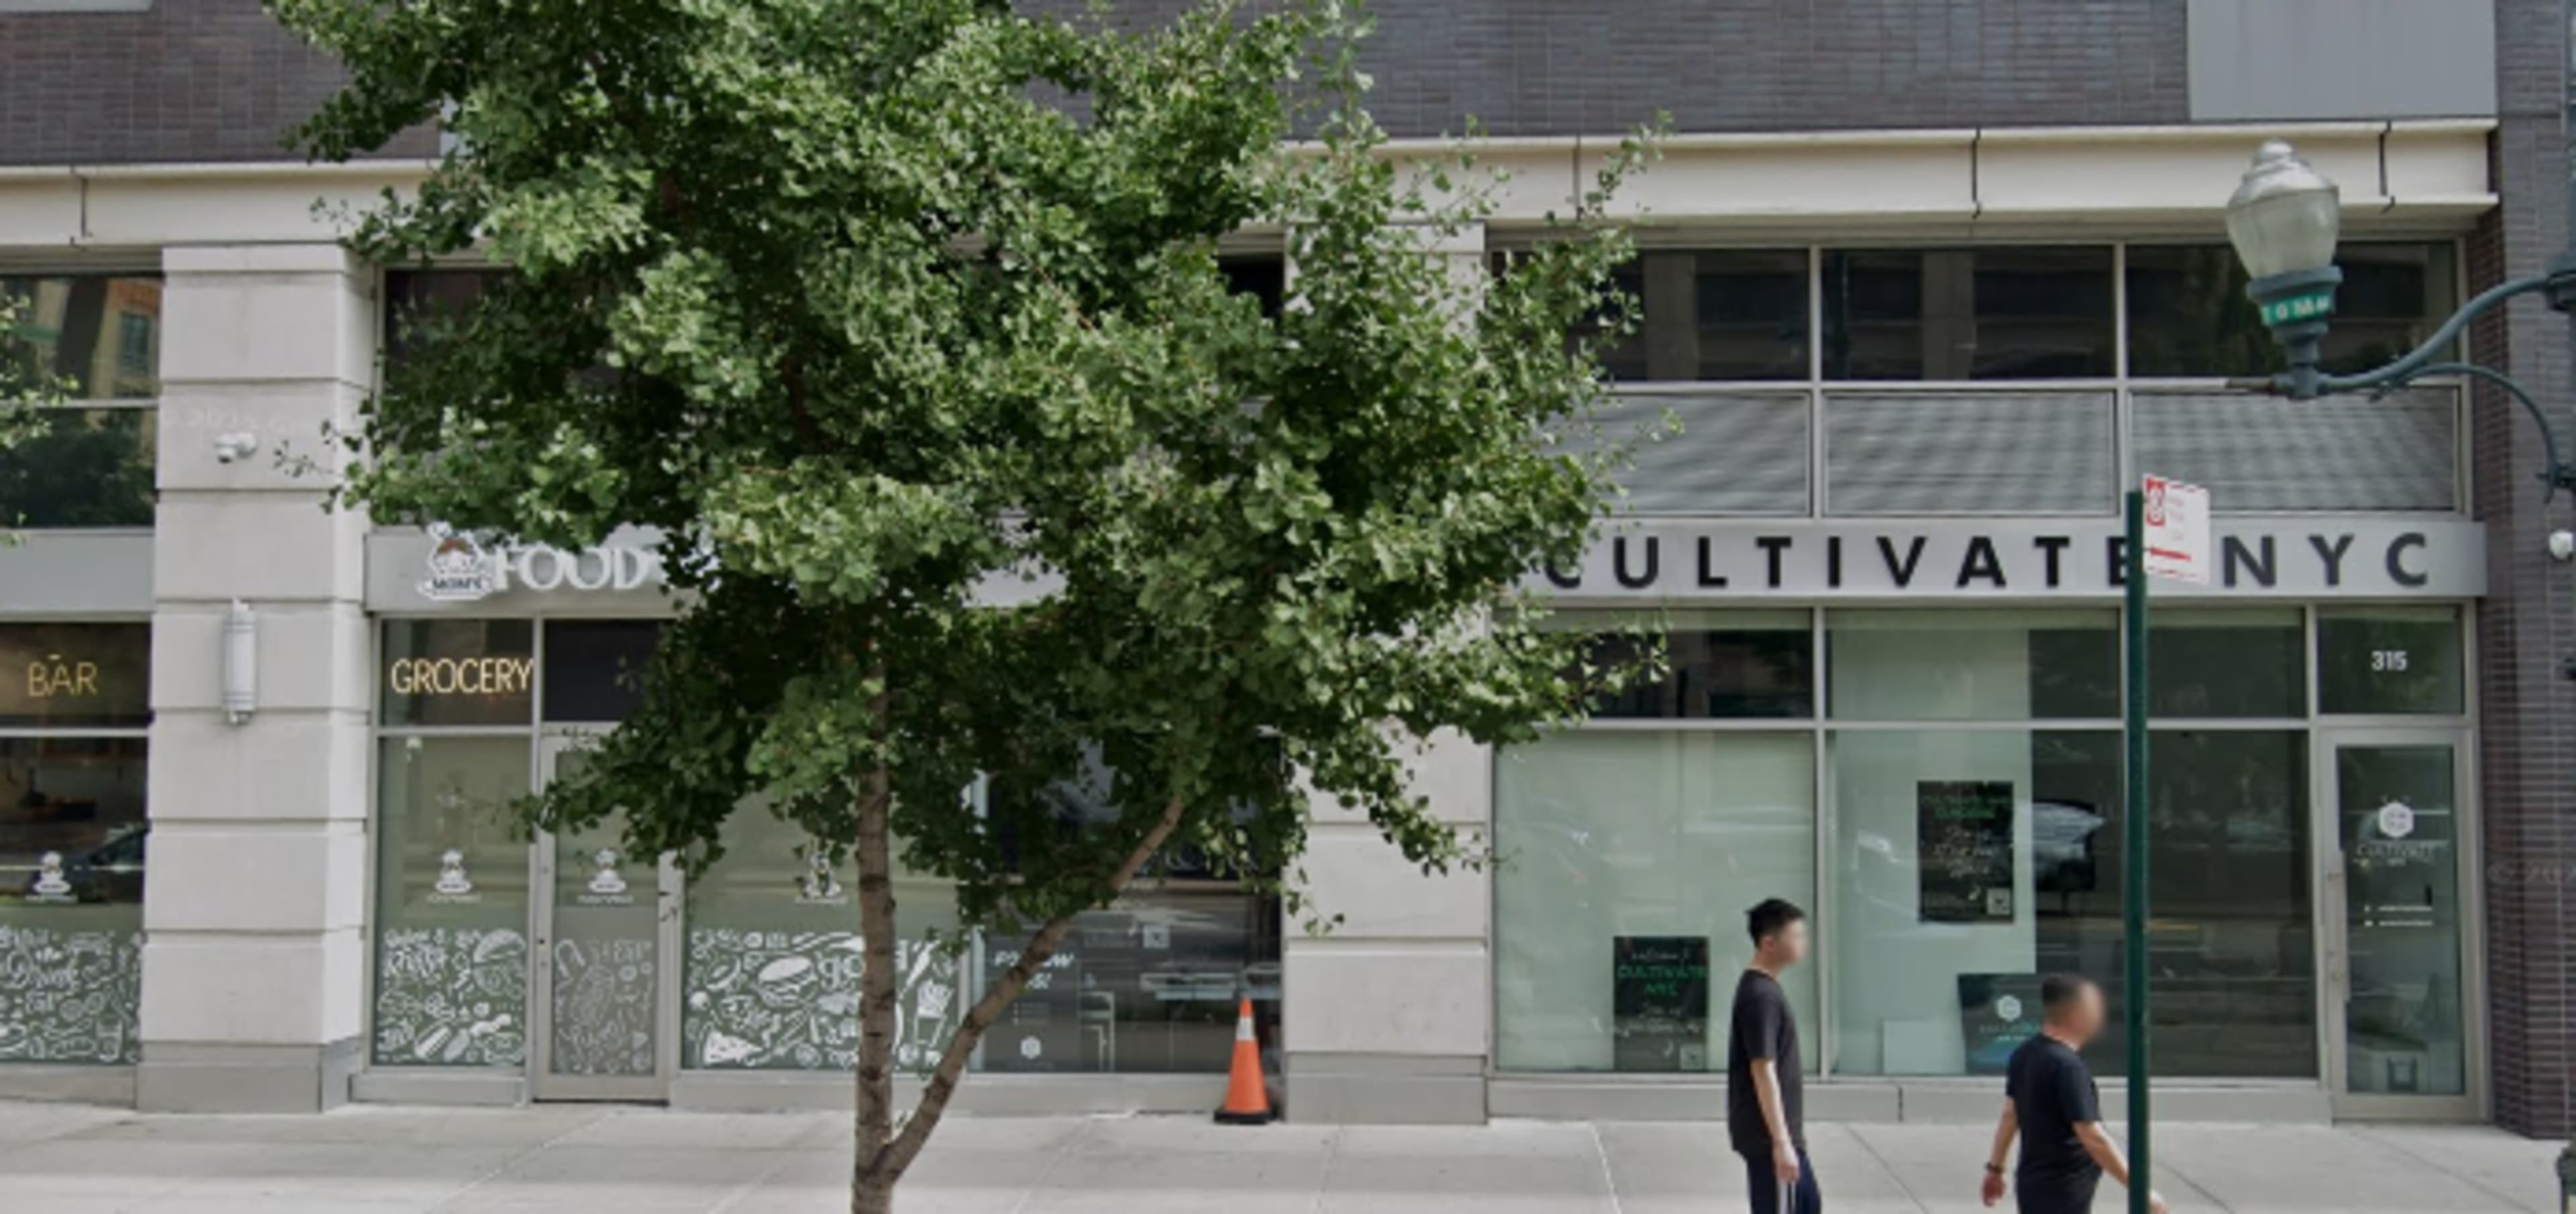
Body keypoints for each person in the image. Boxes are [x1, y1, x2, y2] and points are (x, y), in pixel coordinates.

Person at [1980, 975, 2168, 1214]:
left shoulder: (2025, 1054)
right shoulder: (2068, 1067)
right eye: (2094, 1008)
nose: (2099, 1016)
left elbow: (2010, 1115)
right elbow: (2092, 1136)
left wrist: (1995, 1170)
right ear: (2075, 1014)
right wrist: (2141, 1191)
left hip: (2033, 1185)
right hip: (2063, 1190)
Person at [1729, 897, 1817, 1214]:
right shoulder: (1761, 997)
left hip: (1779, 1138)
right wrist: (1781, 1143)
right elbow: (1762, 1069)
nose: (1804, 943)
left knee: (1807, 1204)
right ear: (1769, 944)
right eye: (1797, 936)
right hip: (1770, 1140)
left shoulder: (1765, 990)